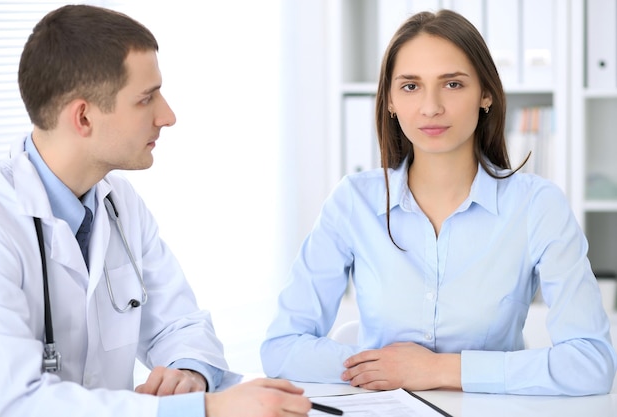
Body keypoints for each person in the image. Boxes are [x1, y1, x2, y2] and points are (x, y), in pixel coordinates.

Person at [261, 9, 617, 396]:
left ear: (485, 94)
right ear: (391, 101)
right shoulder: (353, 202)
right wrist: (384, 367)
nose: (431, 107)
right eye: (410, 86)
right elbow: (282, 347)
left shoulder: (537, 206)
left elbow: (590, 363)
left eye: (452, 84)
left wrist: (438, 369)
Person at [0, 5, 311, 417]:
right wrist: (204, 409)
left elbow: (181, 325)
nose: (168, 116)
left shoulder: (119, 205)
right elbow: (13, 401)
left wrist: (189, 373)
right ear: (83, 116)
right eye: (146, 99)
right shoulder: (1, 223)